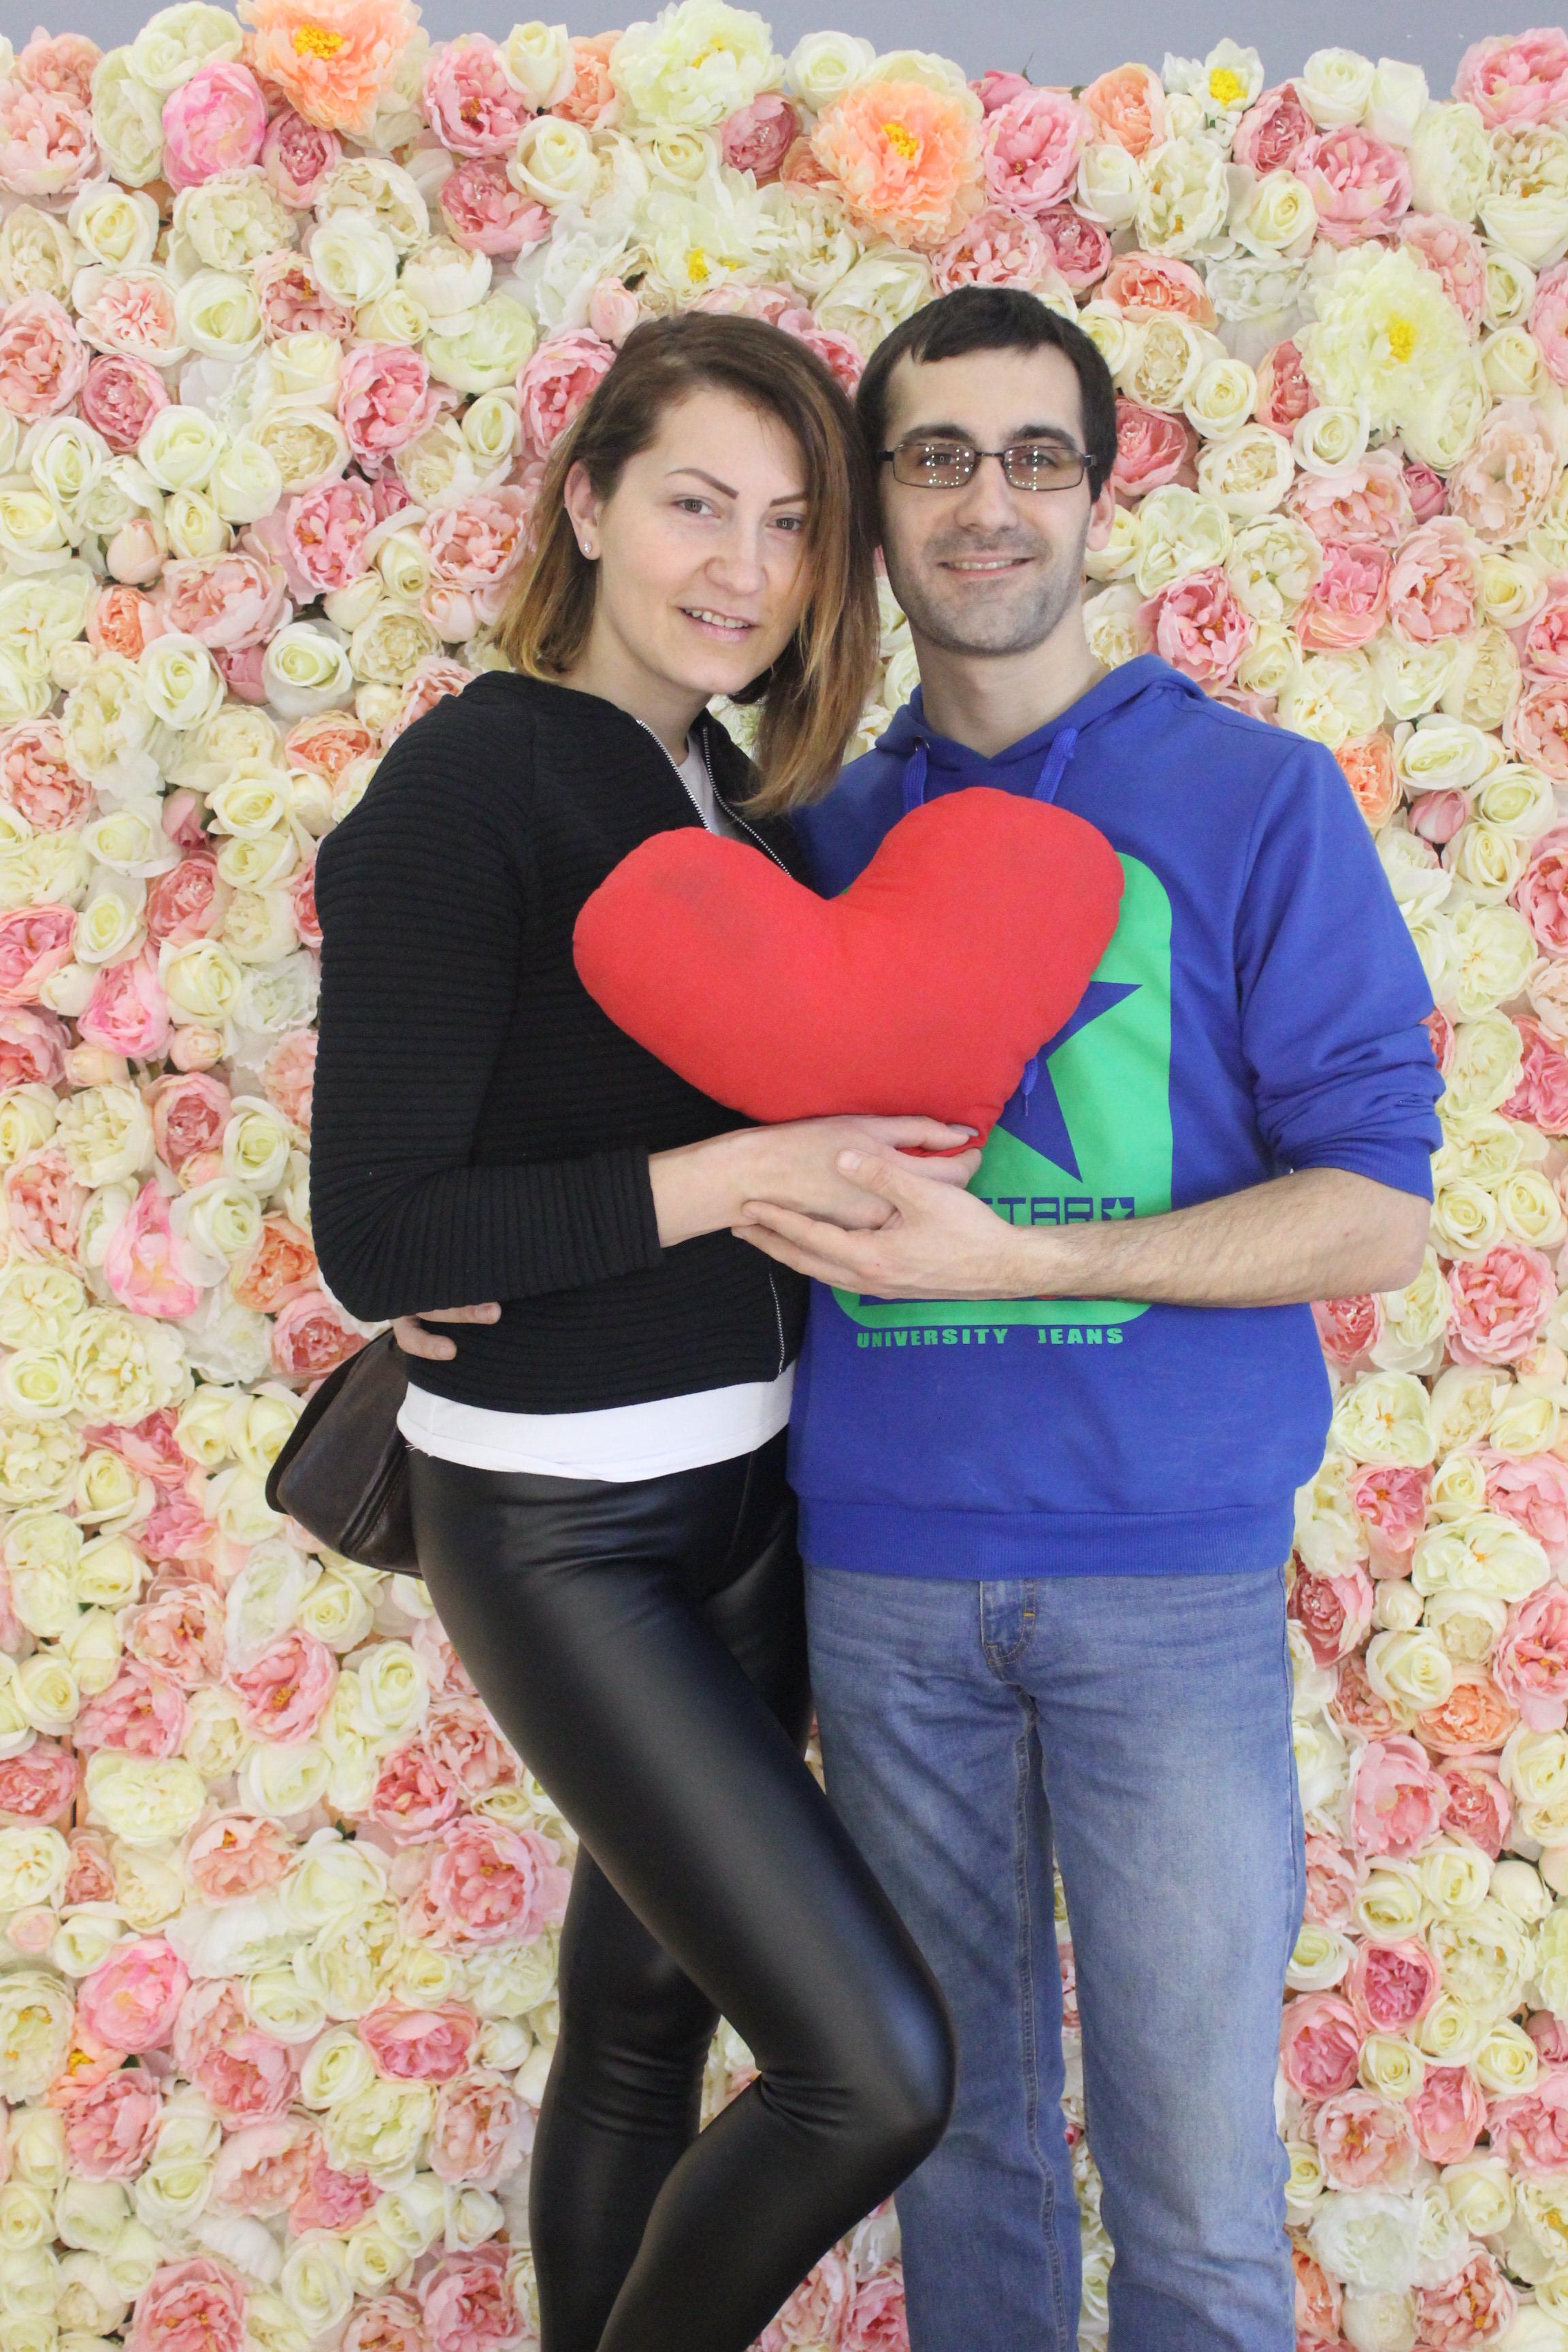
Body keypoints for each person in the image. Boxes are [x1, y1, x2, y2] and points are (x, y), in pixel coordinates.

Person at [732, 287, 1446, 2352]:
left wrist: (1029, 1261)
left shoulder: (1255, 799)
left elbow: (1378, 1213)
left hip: (1168, 1588)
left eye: (1035, 456)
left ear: (1100, 493)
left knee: (1198, 2187)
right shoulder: (805, 836)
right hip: (882, 1584)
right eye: (938, 457)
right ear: (876, 503)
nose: (989, 503)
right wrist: (461, 1257)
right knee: (956, 2153)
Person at [310, 314, 970, 2352]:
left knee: (636, 2028)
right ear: (588, 505)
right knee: (873, 2071)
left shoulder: (730, 803)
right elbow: (380, 1232)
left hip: (746, 1502)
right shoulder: (476, 777)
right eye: (695, 503)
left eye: (789, 524)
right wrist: (739, 1173)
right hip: (565, 1528)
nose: (742, 568)